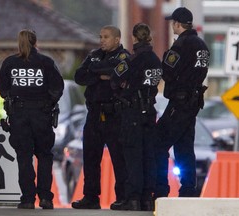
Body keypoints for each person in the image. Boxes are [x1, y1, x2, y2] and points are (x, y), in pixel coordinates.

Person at [0, 29, 64, 209]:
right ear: (36, 42)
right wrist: (47, 103)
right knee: (44, 156)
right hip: (42, 114)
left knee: (24, 157)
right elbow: (58, 86)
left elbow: (3, 88)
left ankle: (27, 199)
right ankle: (45, 198)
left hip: (19, 115)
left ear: (19, 43)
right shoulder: (46, 62)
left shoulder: (10, 63)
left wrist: (15, 97)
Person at [154, 7, 210, 199]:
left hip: (178, 103)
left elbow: (167, 71)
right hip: (192, 104)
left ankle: (160, 190)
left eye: (173, 23)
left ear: (177, 24)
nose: (172, 26)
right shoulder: (203, 46)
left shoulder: (180, 45)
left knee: (158, 143)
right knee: (185, 148)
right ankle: (188, 192)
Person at [71, 25, 129, 210]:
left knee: (119, 158)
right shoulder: (94, 55)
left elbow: (118, 75)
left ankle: (123, 197)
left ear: (117, 40)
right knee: (90, 157)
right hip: (94, 113)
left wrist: (95, 71)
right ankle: (91, 197)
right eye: (100, 36)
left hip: (114, 115)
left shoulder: (123, 56)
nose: (102, 40)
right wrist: (100, 73)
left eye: (106, 37)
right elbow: (79, 76)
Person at [110, 23, 162, 211]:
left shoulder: (133, 60)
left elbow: (115, 80)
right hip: (149, 112)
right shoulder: (156, 60)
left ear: (134, 38)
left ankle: (133, 198)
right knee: (148, 155)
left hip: (132, 112)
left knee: (133, 156)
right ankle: (147, 198)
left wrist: (125, 87)